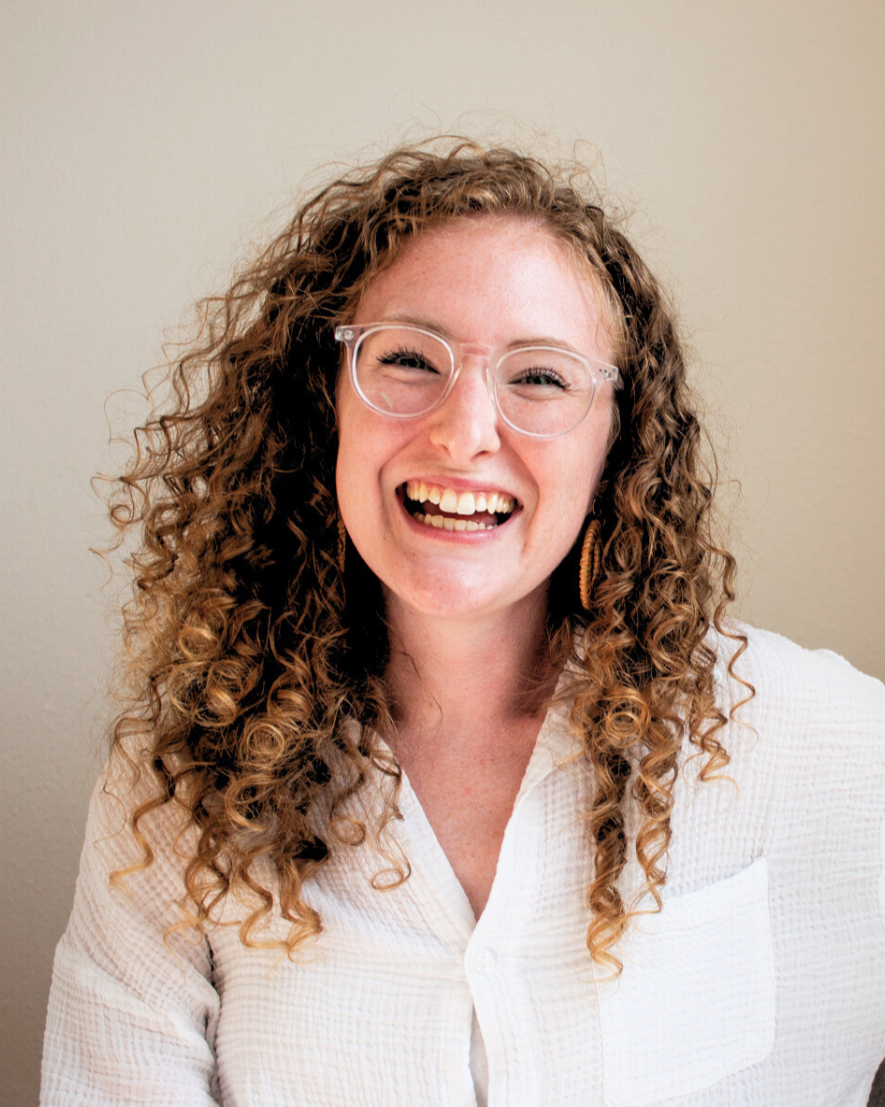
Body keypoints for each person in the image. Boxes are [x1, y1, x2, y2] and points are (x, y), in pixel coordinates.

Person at [41, 138, 885, 1107]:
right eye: (407, 359)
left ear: (620, 438)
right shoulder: (180, 786)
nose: (464, 430)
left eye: (540, 378)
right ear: (326, 406)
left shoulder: (816, 741)